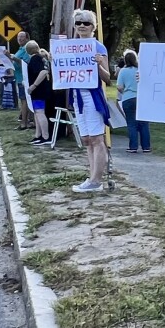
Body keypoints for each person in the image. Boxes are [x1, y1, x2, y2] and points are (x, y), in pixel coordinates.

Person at [69, 10, 113, 192]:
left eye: (86, 23)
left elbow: (108, 78)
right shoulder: (69, 47)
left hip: (92, 95)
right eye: (78, 22)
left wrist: (97, 64)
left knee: (96, 138)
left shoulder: (98, 47)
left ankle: (96, 180)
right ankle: (92, 176)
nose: (81, 25)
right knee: (87, 139)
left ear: (93, 27)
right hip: (76, 95)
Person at [116, 50, 151, 153]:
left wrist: (124, 91)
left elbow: (119, 86)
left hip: (128, 97)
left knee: (131, 124)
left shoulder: (123, 71)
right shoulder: (141, 70)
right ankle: (146, 146)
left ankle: (133, 147)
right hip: (142, 98)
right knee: (144, 124)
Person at [25, 40, 52, 146]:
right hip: (40, 90)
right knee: (37, 112)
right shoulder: (42, 58)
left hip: (39, 90)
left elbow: (43, 72)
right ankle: (38, 135)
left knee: (40, 113)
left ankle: (45, 136)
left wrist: (33, 85)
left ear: (28, 51)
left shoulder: (35, 59)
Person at [5, 31, 33, 130]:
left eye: (22, 37)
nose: (19, 39)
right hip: (19, 78)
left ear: (27, 39)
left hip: (24, 79)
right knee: (25, 101)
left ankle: (24, 123)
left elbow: (25, 63)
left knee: (24, 102)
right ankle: (28, 121)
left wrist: (12, 57)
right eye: (18, 37)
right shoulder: (20, 49)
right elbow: (15, 62)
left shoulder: (27, 49)